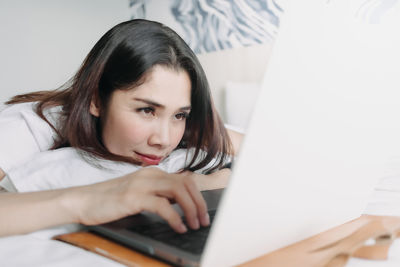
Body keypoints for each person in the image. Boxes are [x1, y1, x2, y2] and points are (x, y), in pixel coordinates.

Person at [0, 19, 242, 237]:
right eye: (147, 110)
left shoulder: (185, 130)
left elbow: (256, 149)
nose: (165, 140)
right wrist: (86, 202)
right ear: (96, 101)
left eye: (179, 114)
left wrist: (206, 183)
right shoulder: (32, 124)